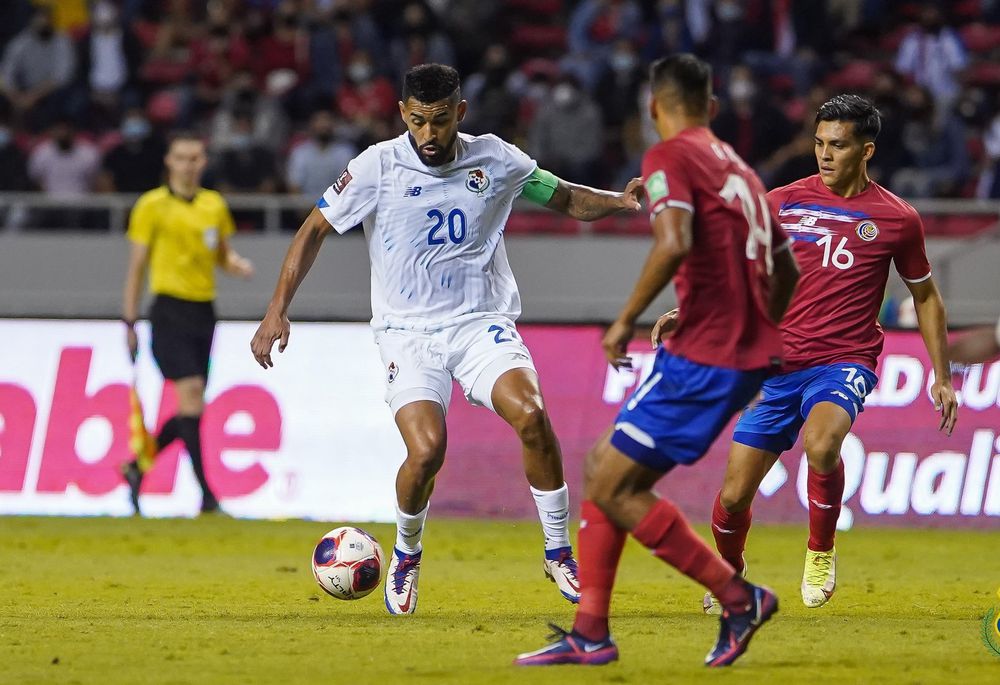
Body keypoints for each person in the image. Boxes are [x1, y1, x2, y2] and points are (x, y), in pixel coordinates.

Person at [250, 63, 643, 616]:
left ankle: (558, 551)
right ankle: (407, 553)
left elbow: (563, 197)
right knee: (427, 449)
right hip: (407, 334)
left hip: (480, 323)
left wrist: (619, 203)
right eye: (417, 122)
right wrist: (276, 310)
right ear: (403, 115)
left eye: (439, 122)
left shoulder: (496, 158)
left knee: (531, 415)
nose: (428, 135)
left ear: (459, 113)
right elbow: (314, 227)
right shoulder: (376, 167)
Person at [515, 53, 799, 669]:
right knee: (606, 472)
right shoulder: (741, 169)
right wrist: (760, 332)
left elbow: (673, 241)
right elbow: (788, 266)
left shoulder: (669, 156)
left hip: (707, 357)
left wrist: (625, 319)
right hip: (735, 350)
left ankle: (738, 596)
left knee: (611, 482)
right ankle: (590, 631)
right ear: (714, 107)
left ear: (652, 108)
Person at [702, 94, 958, 614]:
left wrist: (942, 375)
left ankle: (820, 550)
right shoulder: (782, 202)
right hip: (776, 368)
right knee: (731, 498)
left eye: (837, 145)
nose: (824, 154)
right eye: (819, 143)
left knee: (822, 444)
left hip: (843, 360)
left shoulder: (896, 219)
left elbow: (926, 296)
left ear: (866, 150)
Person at [120, 133, 254, 516]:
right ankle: (207, 496)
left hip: (203, 312)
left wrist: (237, 266)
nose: (188, 165)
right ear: (169, 161)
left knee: (192, 409)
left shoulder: (214, 206)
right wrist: (129, 321)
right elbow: (136, 268)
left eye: (195, 158)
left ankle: (136, 466)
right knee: (191, 393)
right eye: (181, 158)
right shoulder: (151, 206)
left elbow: (222, 256)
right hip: (168, 310)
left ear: (203, 162)